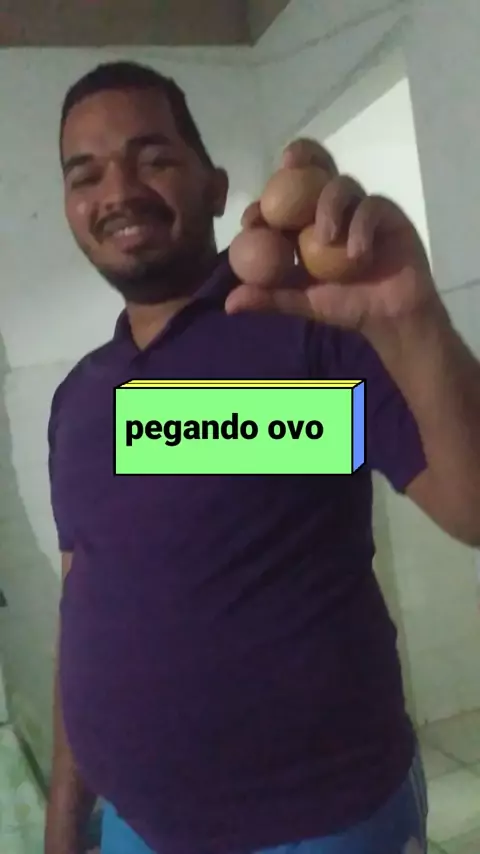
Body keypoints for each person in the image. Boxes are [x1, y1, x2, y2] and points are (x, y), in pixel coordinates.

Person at [45, 60, 480, 854]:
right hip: (133, 828)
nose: (119, 191)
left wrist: (411, 317)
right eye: (86, 175)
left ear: (216, 188)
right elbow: (84, 595)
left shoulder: (304, 335)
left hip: (321, 828)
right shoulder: (80, 398)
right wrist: (66, 816)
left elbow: (473, 507)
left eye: (153, 157)